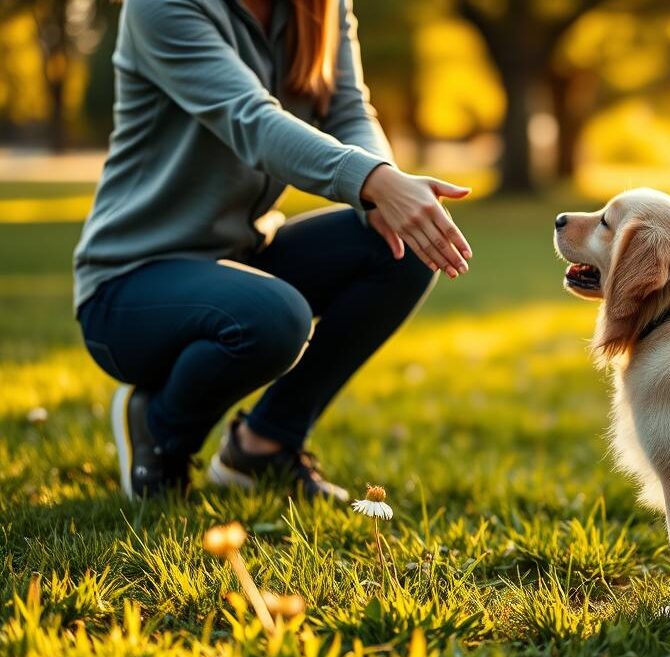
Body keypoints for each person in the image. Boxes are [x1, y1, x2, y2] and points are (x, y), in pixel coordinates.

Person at [72, 0, 473, 500]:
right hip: (130, 283)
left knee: (400, 249)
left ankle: (263, 446)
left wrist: (379, 196)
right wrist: (374, 182)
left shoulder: (321, 6)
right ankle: (159, 428)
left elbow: (347, 110)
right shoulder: (162, 6)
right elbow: (250, 120)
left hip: (242, 253)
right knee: (276, 317)